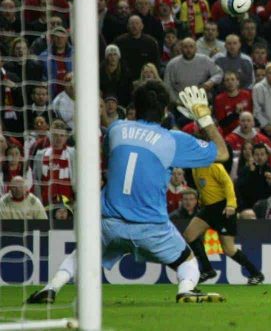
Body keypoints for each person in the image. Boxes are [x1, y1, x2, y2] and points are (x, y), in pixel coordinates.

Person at [26, 82, 229, 304]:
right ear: (165, 111)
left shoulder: (116, 129)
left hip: (109, 224)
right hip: (152, 228)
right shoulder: (173, 139)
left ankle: (51, 287)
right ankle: (186, 289)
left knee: (82, 254)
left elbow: (108, 156)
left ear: (135, 108)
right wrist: (204, 118)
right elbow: (222, 153)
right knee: (187, 261)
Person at [183, 162, 264, 284]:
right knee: (189, 235)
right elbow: (204, 187)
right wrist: (201, 200)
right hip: (209, 209)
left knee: (228, 249)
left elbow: (228, 184)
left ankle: (256, 273)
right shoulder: (195, 168)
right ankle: (207, 269)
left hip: (223, 207)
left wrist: (231, 204)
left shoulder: (215, 166)